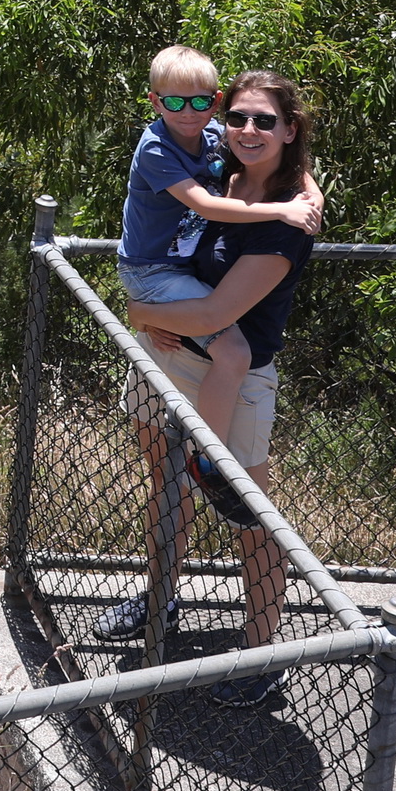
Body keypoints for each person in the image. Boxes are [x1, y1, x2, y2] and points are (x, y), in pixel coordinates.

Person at [98, 70, 323, 710]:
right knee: (168, 486)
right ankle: (160, 597)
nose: (249, 130)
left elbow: (209, 316)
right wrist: (152, 319)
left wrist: (141, 315)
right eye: (241, 117)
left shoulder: (285, 224)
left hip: (230, 371)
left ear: (289, 129)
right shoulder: (218, 166)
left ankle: (258, 654)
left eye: (265, 120)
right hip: (169, 352)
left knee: (248, 515)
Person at [116, 46, 321, 501]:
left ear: (215, 101)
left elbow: (296, 163)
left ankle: (207, 459)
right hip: (153, 272)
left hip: (175, 271)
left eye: (200, 102)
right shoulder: (156, 147)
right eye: (173, 102)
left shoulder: (215, 136)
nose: (187, 112)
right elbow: (205, 205)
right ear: (154, 102)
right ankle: (209, 460)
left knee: (232, 355)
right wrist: (284, 210)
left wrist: (311, 196)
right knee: (232, 352)